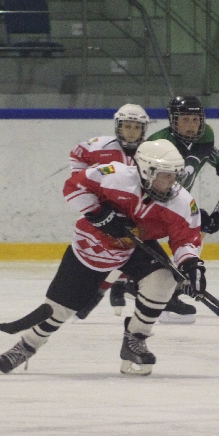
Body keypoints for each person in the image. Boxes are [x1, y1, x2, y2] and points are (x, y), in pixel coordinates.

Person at [0, 139, 206, 377]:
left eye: (175, 175)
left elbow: (186, 238)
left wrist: (192, 265)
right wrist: (99, 214)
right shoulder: (113, 176)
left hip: (135, 246)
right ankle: (27, 345)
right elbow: (73, 186)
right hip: (93, 244)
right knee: (59, 310)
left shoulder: (181, 202)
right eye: (166, 175)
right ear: (147, 171)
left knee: (164, 279)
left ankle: (135, 339)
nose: (172, 182)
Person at [125, 94, 219, 322]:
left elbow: (207, 152)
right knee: (151, 247)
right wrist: (193, 215)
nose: (191, 125)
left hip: (175, 201)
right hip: (151, 205)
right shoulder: (160, 144)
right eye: (185, 120)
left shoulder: (206, 135)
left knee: (192, 239)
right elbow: (148, 184)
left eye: (195, 120)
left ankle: (170, 291)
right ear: (173, 121)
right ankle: (155, 296)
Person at [68, 103, 150, 320]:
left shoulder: (150, 152)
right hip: (103, 211)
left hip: (135, 212)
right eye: (127, 126)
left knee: (126, 251)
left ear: (143, 130)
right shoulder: (100, 146)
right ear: (118, 127)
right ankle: (100, 290)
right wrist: (83, 182)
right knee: (100, 253)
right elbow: (77, 154)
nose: (131, 132)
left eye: (136, 127)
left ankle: (105, 290)